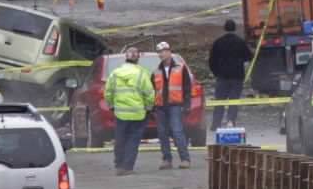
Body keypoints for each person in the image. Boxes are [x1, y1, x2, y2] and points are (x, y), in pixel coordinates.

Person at [104, 45, 156, 176]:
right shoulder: (142, 73)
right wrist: (149, 107)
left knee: (120, 139)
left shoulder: (115, 73)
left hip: (120, 113)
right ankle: (128, 167)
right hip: (138, 113)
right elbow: (149, 93)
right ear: (138, 59)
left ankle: (119, 165)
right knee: (133, 141)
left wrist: (111, 105)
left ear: (125, 58)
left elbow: (108, 92)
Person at [151, 40, 199, 169]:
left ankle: (185, 159)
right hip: (161, 106)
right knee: (162, 133)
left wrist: (187, 104)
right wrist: (153, 107)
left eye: (164, 51)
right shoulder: (156, 71)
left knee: (177, 131)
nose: (161, 54)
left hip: (175, 105)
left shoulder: (180, 68)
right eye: (159, 52)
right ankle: (167, 159)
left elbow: (187, 88)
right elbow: (153, 90)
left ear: (169, 52)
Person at [208, 18, 251, 129]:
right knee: (234, 100)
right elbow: (249, 56)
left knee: (219, 101)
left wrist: (216, 72)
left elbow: (212, 60)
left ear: (224, 28)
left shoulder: (218, 42)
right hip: (237, 76)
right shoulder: (240, 42)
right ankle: (230, 121)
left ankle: (215, 123)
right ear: (235, 28)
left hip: (222, 77)